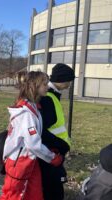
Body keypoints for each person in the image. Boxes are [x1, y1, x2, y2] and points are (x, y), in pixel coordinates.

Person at [0, 71, 63, 200]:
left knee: (34, 195)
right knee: (12, 197)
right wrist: (53, 158)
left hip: (30, 162)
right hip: (20, 162)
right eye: (44, 84)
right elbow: (33, 144)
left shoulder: (33, 107)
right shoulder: (26, 113)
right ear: (35, 86)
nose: (47, 86)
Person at [39, 63, 75, 200]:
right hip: (51, 155)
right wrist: (62, 146)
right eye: (69, 81)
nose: (70, 84)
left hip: (53, 154)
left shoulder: (52, 96)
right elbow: (41, 131)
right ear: (63, 80)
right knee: (53, 192)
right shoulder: (48, 98)